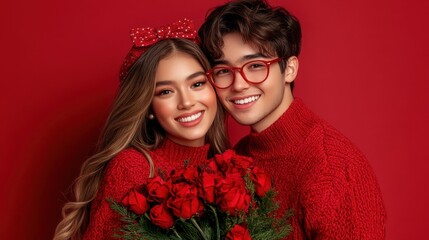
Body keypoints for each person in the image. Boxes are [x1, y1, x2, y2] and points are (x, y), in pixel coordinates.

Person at [198, 0, 386, 239]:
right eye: (224, 71)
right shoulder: (237, 157)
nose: (239, 85)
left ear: (289, 69)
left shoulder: (334, 170)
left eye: (255, 66)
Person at [53, 18, 230, 240]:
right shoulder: (133, 168)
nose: (186, 102)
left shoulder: (225, 167)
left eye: (196, 84)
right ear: (149, 107)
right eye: (166, 92)